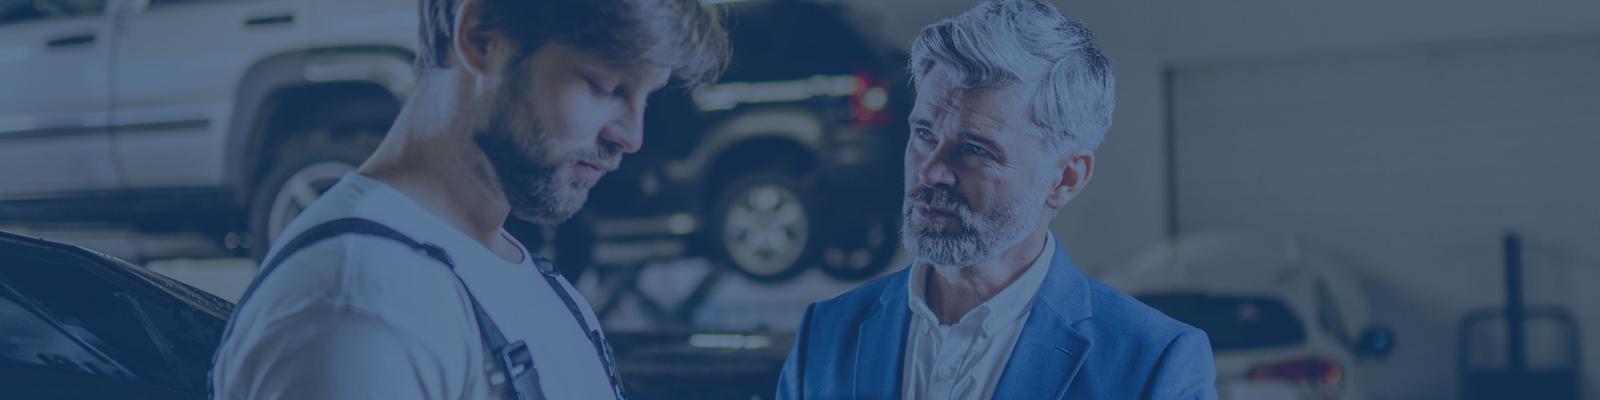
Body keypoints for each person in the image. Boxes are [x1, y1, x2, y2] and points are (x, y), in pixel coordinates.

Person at [209, 0, 728, 398]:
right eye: (604, 85)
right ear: (480, 38)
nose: (631, 136)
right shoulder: (358, 306)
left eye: (646, 97)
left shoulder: (528, 281)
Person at [776, 1, 1218, 398]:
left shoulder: (1152, 364)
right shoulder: (827, 335)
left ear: (1065, 178)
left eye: (974, 149)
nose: (930, 171)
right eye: (924, 134)